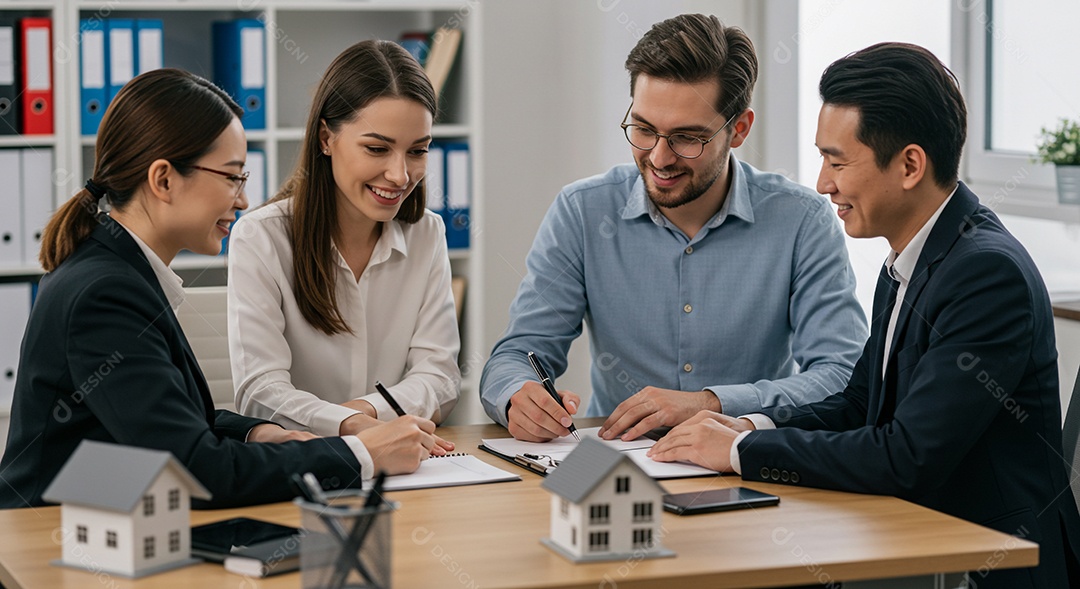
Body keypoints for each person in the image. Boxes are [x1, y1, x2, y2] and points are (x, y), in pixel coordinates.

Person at [648, 43, 1080, 587]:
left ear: (909, 165)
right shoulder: (910, 255)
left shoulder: (985, 274)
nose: (824, 183)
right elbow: (859, 405)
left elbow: (906, 456)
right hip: (919, 543)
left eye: (838, 160)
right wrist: (750, 424)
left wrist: (738, 450)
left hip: (990, 565)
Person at [0, 69, 442, 510]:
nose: (243, 200)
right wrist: (363, 455)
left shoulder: (118, 272)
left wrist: (253, 431)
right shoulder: (105, 294)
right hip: (49, 540)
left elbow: (171, 425)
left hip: (99, 516)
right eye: (232, 177)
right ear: (164, 180)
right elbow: (201, 472)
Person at [479, 14, 867, 442]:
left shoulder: (802, 220)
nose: (660, 158)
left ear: (738, 130)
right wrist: (518, 397)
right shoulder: (582, 210)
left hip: (747, 456)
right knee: (552, 505)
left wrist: (711, 403)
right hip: (607, 458)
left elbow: (842, 375)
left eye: (687, 138)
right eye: (643, 129)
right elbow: (515, 355)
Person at [228, 40, 461, 437]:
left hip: (402, 465)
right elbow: (259, 392)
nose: (400, 175)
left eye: (417, 151)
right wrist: (354, 425)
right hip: (304, 469)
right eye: (376, 148)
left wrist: (362, 411)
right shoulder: (261, 237)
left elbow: (440, 378)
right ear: (326, 138)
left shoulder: (426, 233)